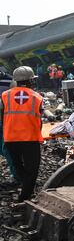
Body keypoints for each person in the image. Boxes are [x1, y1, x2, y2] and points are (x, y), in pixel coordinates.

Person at [1, 66, 43, 201]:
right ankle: (24, 198)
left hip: (10, 138)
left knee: (18, 166)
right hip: (30, 139)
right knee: (32, 169)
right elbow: (39, 119)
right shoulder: (37, 97)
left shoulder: (4, 96)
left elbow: (2, 116)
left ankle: (26, 188)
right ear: (30, 81)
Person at [0, 69, 18, 182]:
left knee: (7, 149)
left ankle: (17, 175)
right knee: (6, 149)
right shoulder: (9, 80)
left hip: (6, 120)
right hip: (5, 120)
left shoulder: (10, 80)